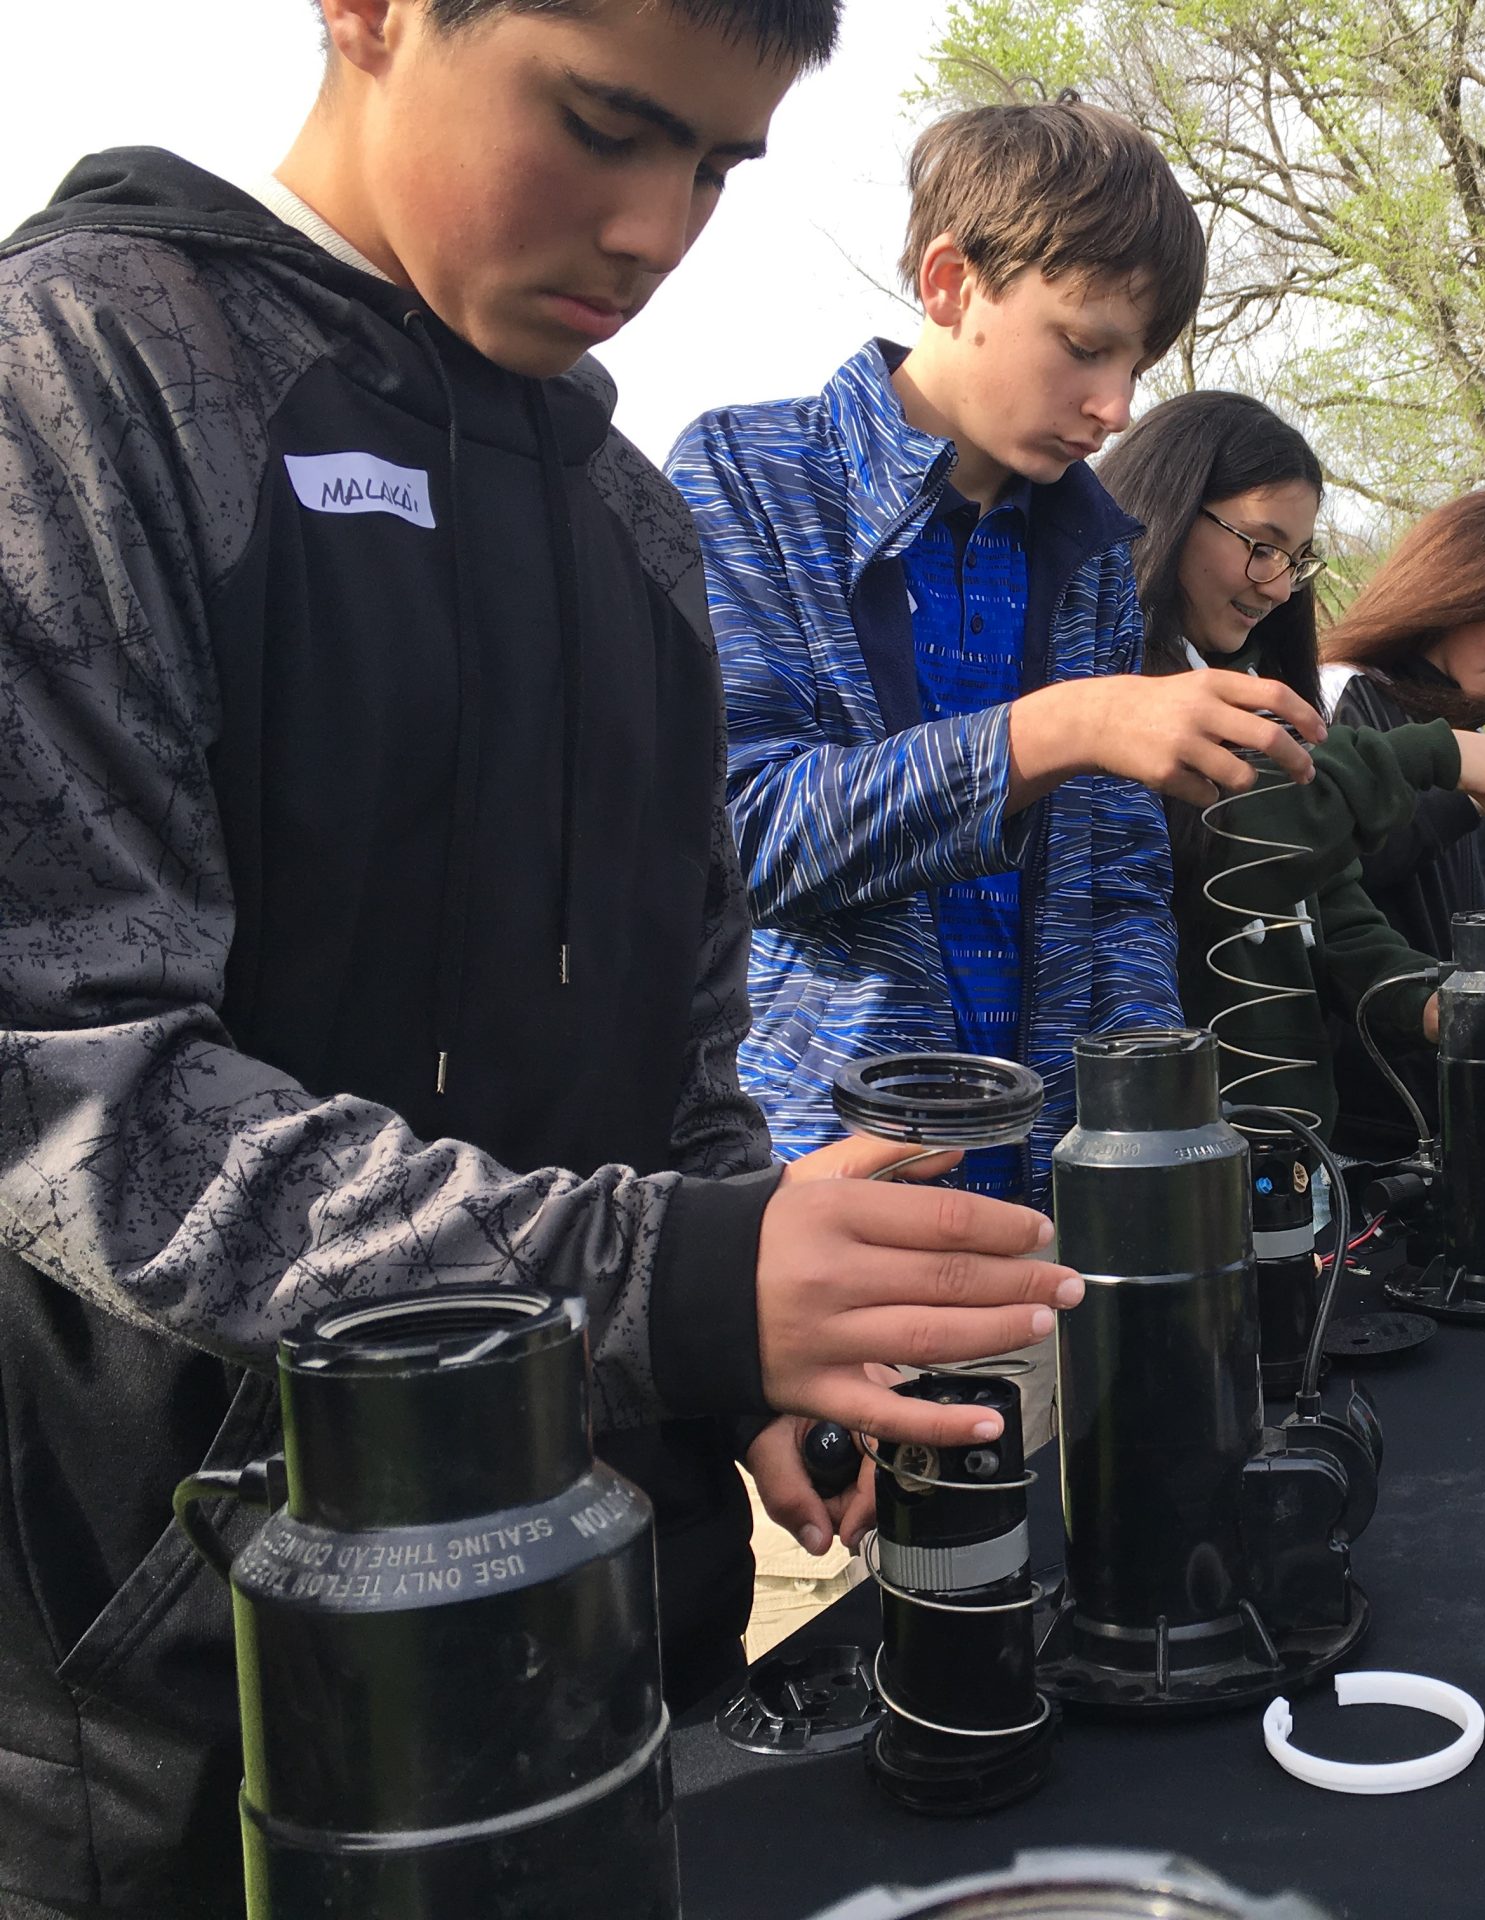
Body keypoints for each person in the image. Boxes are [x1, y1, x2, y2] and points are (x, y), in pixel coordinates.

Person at [0, 5, 1085, 1912]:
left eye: (721, 167)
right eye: (605, 127)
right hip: (192, 1687)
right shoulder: (77, 377)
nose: (658, 230)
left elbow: (680, 1048)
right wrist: (660, 1287)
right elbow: (70, 1079)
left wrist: (747, 1351)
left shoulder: (630, 524)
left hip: (619, 1620)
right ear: (370, 18)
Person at [668, 102, 1332, 1206]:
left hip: (1061, 1189)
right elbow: (741, 843)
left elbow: (1121, 887)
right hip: (831, 1175)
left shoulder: (1094, 558)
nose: (1116, 407)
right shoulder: (746, 477)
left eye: (1138, 362)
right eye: (1083, 345)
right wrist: (1062, 731)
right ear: (949, 284)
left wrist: (1145, 1128)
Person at [1097, 390, 1485, 1136]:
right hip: (1167, 1142)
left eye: (1295, 560)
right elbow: (1236, 838)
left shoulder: (1258, 695)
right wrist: (1433, 754)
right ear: (1169, 506)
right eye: (1260, 544)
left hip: (1297, 1145)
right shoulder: (1105, 699)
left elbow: (1333, 915)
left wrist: (1441, 1003)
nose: (1277, 587)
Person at [1317, 488, 1485, 1150]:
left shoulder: (1456, 723)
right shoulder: (1338, 691)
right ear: (1451, 595)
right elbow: (1338, 867)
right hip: (1373, 1117)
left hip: (1448, 1095)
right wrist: (1465, 796)